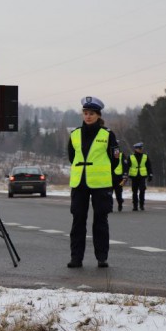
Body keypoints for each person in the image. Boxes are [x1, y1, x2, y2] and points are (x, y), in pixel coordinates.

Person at [67, 96, 121, 269]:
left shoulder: (107, 135)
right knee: (78, 221)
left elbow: (115, 160)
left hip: (101, 184)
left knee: (100, 221)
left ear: (98, 115)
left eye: (91, 113)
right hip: (79, 183)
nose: (88, 116)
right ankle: (76, 258)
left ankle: (102, 257)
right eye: (85, 113)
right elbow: (71, 157)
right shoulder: (75, 134)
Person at [128, 142, 153, 211]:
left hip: (142, 176)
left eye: (141, 148)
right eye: (139, 148)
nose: (141, 150)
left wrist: (150, 174)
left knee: (142, 190)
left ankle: (141, 204)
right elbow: (127, 167)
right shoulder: (131, 157)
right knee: (134, 191)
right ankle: (135, 206)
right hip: (134, 177)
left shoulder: (145, 156)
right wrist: (125, 175)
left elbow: (149, 166)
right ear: (136, 149)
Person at [112, 141, 128, 212]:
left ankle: (120, 203)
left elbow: (125, 166)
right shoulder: (108, 155)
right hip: (110, 177)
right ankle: (110, 207)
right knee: (109, 194)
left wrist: (125, 175)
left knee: (118, 193)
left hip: (119, 178)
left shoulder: (121, 155)